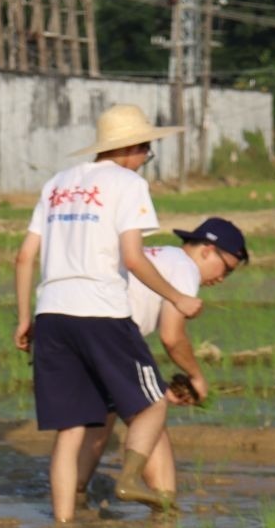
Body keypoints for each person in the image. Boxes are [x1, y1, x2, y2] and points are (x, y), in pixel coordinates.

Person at [12, 104, 204, 522]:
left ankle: (62, 527)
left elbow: (25, 256)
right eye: (148, 152)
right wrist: (178, 297)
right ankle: (130, 479)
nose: (146, 160)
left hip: (52, 314)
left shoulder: (56, 184)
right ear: (132, 147)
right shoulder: (127, 184)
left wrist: (25, 318)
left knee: (71, 429)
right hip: (101, 311)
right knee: (152, 402)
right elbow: (133, 259)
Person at [74, 217, 249, 507]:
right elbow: (172, 336)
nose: (222, 278)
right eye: (227, 268)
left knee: (99, 421)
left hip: (77, 329)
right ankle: (164, 507)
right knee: (150, 413)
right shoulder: (185, 267)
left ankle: (74, 500)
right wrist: (196, 376)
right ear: (207, 250)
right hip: (112, 332)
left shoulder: (161, 255)